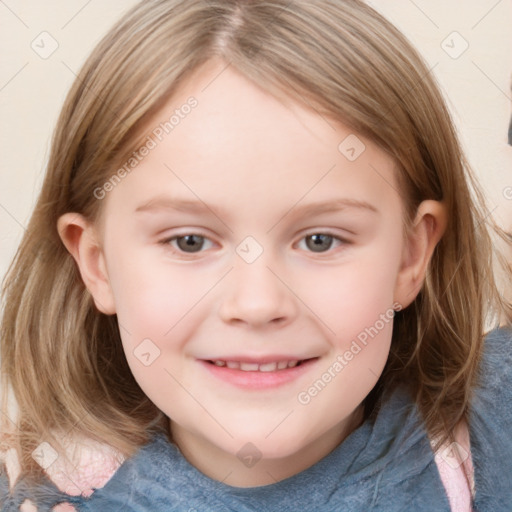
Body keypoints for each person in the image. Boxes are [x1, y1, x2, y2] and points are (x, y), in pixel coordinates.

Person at [1, 0, 511, 510]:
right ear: (97, 264)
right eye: (190, 242)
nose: (257, 303)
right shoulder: (33, 492)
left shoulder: (494, 432)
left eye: (320, 240)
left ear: (410, 256)